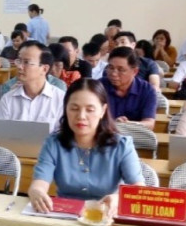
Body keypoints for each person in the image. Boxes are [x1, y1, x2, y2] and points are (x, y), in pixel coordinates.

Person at [28, 78, 144, 212]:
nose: (81, 116)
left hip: (105, 214)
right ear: (65, 109)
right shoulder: (53, 144)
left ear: (103, 111)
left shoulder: (122, 146)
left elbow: (138, 190)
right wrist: (36, 191)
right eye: (74, 108)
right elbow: (40, 182)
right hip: (65, 214)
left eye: (90, 110)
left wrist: (118, 199)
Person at [0, 41, 65, 132]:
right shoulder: (8, 99)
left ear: (44, 69)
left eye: (26, 62)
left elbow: (63, 136)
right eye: (19, 61)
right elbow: (0, 133)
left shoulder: (61, 99)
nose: (20, 66)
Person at [100, 47, 156, 129]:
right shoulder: (99, 86)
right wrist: (114, 124)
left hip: (134, 134)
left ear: (135, 71)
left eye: (121, 70)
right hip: (104, 133)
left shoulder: (147, 90)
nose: (114, 74)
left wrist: (127, 125)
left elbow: (149, 123)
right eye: (111, 68)